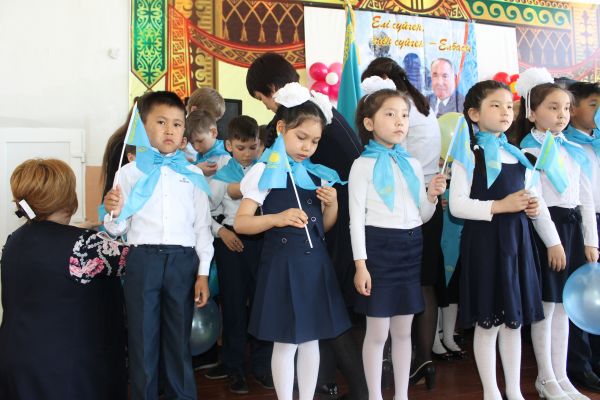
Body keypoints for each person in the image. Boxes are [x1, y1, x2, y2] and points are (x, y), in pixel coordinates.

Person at [246, 52, 367, 399]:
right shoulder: (276, 161)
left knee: (323, 322)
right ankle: (324, 387)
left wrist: (332, 204)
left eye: (263, 100)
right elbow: (249, 211)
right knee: (297, 333)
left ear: (272, 90)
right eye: (303, 139)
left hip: (333, 233)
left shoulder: (311, 122)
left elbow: (325, 217)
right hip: (293, 252)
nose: (308, 146)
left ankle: (341, 387)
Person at [450, 80, 559, 400]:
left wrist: (538, 216)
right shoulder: (468, 155)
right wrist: (500, 206)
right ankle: (491, 392)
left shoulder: (520, 156)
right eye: (495, 105)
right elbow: (457, 206)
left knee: (514, 322)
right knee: (489, 323)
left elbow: (534, 200)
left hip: (517, 245)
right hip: (486, 246)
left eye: (509, 106)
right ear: (474, 114)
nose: (504, 112)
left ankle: (514, 391)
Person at [103, 91, 214, 400]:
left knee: (179, 341)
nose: (170, 130)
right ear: (143, 126)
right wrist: (113, 212)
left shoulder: (193, 174)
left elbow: (202, 228)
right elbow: (117, 230)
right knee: (142, 341)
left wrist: (203, 273)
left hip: (182, 262)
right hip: (143, 261)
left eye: (177, 124)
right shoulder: (128, 173)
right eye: (161, 122)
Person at [350, 76, 446, 400]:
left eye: (404, 115)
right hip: (378, 250)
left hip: (410, 248)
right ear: (369, 123)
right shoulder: (361, 165)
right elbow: (355, 221)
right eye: (390, 114)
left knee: (404, 331)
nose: (399, 121)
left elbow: (422, 216)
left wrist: (431, 196)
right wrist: (361, 265)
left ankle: (402, 395)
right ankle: (375, 396)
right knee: (378, 332)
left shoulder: (413, 165)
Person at [0, 159, 127, 400]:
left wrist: (81, 231)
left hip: (16, 362)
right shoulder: (86, 245)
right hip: (66, 370)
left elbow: (50, 247)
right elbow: (139, 262)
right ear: (68, 198)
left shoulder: (12, 241)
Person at [516, 70, 599, 400]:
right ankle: (545, 378)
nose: (562, 114)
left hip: (573, 230)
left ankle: (562, 376)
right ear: (532, 113)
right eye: (553, 108)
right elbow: (534, 202)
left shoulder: (572, 148)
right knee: (547, 308)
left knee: (565, 308)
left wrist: (590, 240)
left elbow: (585, 197)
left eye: (566, 108)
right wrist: (552, 242)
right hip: (547, 232)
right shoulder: (529, 151)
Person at [204, 115, 273, 393]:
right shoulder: (220, 175)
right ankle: (234, 367)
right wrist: (222, 232)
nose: (247, 154)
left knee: (261, 305)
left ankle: (262, 365)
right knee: (232, 306)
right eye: (241, 148)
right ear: (229, 145)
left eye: (252, 147)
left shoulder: (266, 171)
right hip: (230, 242)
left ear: (259, 144)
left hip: (261, 241)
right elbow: (204, 212)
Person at [564, 81, 600, 393]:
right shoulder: (566, 146)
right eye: (593, 105)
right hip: (583, 224)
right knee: (582, 294)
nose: (599, 112)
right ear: (572, 109)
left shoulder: (597, 142)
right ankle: (580, 364)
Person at [185, 109, 231, 179]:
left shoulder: (223, 159)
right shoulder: (203, 154)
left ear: (213, 132)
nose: (196, 147)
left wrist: (195, 169)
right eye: (192, 143)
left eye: (200, 141)